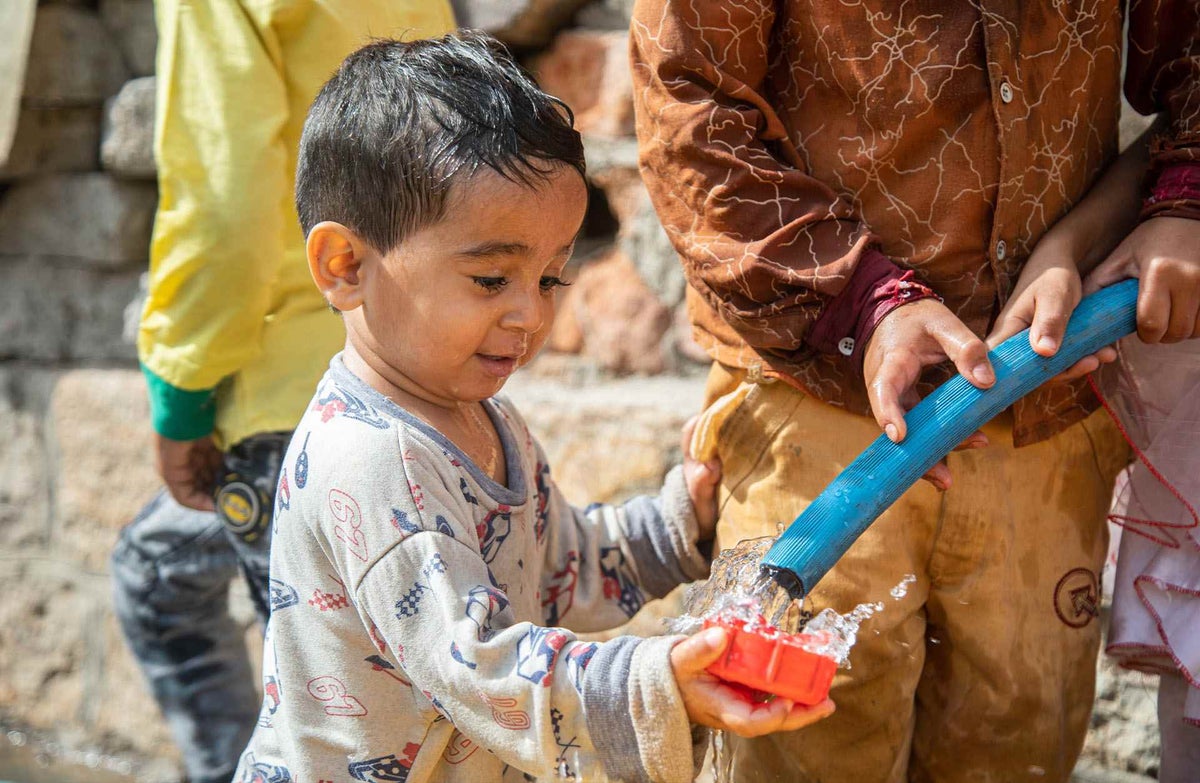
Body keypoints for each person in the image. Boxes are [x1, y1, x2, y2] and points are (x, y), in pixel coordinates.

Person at [232, 32, 833, 783]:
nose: (529, 315)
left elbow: (558, 570)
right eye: (492, 280)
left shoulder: (478, 415)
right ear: (346, 265)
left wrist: (683, 524)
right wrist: (654, 681)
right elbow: (478, 664)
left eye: (550, 280)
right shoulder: (373, 461)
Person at [630, 2, 1200, 781]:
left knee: (1015, 739)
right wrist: (865, 299)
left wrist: (1186, 196)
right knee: (803, 735)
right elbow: (686, 103)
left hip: (1048, 401)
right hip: (819, 402)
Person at [109, 3, 455, 783]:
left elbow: (223, 197)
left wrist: (182, 392)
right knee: (154, 571)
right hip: (422, 378)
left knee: (336, 746)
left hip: (289, 406)